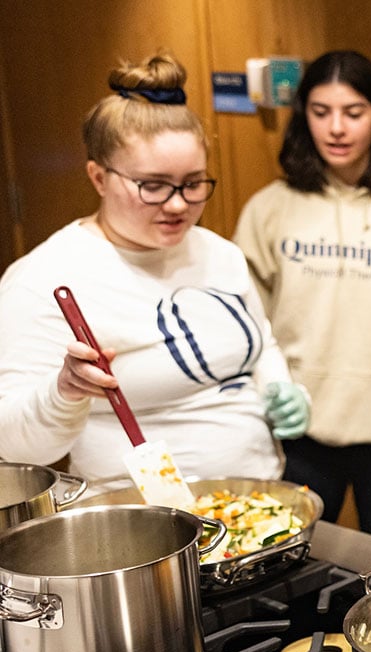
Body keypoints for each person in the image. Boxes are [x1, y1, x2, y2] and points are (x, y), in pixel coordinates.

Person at [0, 52, 308, 480]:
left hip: (256, 505)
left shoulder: (219, 254)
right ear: (99, 178)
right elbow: (14, 445)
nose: (179, 204)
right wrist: (63, 394)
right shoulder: (44, 279)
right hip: (140, 529)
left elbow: (260, 344)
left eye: (194, 183)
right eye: (153, 186)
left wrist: (279, 385)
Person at [234, 50, 371, 545]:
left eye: (353, 112)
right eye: (321, 112)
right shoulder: (270, 208)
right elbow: (246, 325)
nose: (336, 128)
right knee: (291, 568)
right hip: (300, 432)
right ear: (304, 116)